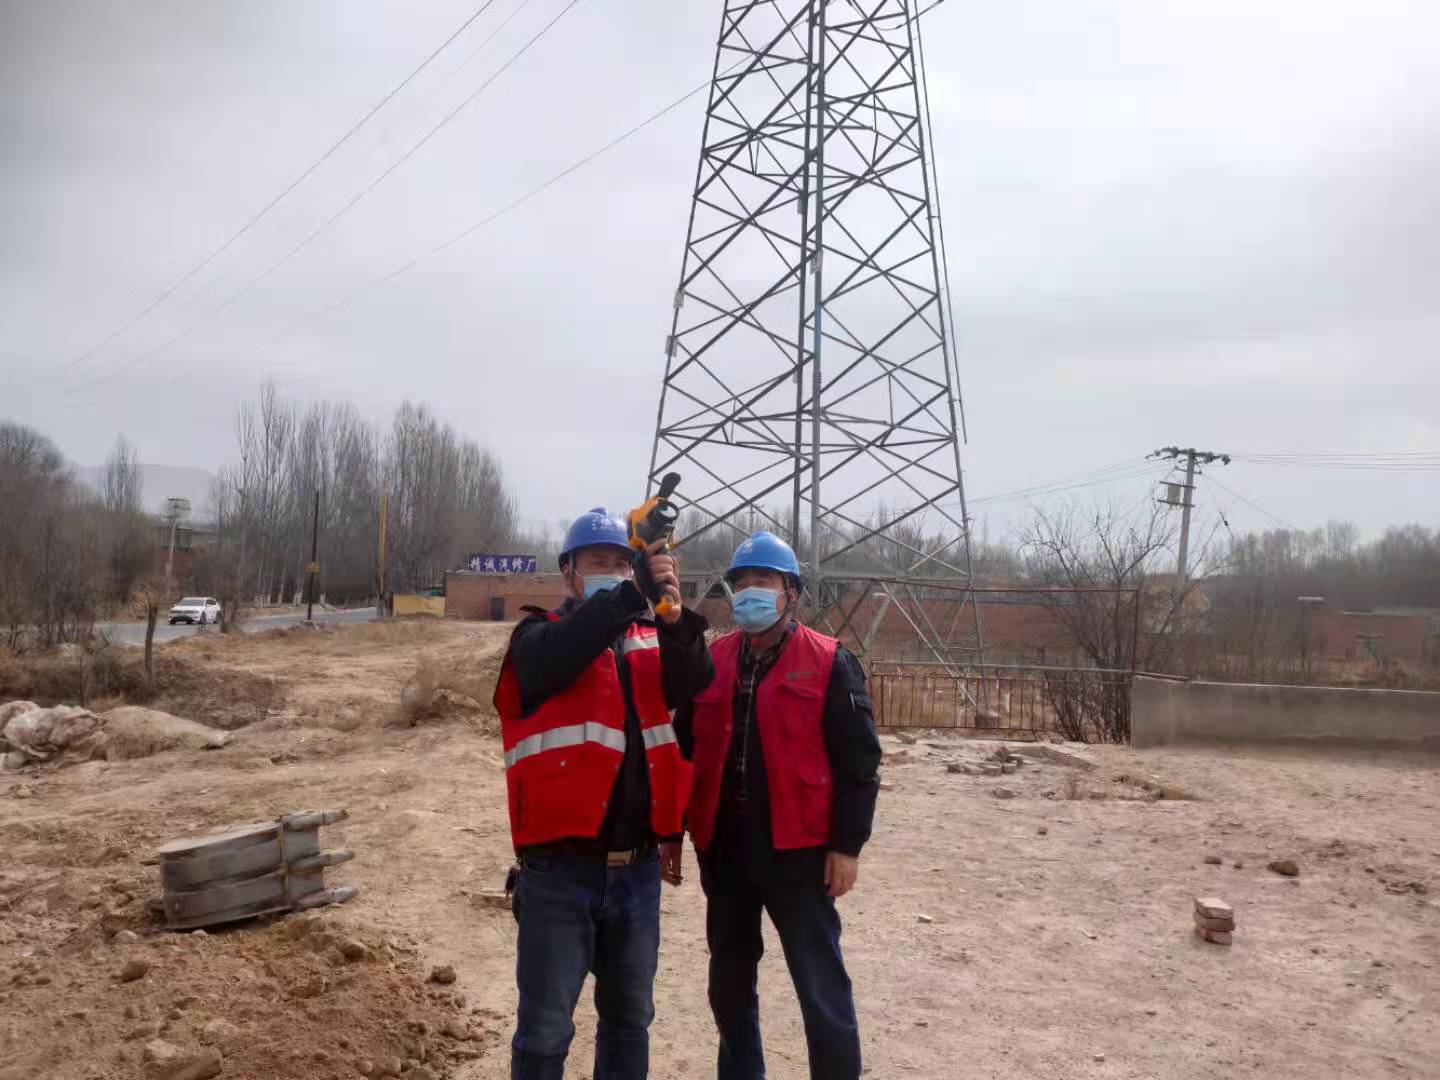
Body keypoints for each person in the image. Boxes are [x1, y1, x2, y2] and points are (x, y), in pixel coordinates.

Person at [492, 507, 714, 1080]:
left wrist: (672, 615)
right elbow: (563, 652)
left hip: (636, 871)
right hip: (558, 875)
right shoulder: (536, 637)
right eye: (599, 562)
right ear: (568, 572)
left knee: (629, 1021)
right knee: (545, 1033)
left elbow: (695, 680)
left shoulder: (647, 641)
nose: (612, 572)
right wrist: (630, 593)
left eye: (621, 562)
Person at [675, 531, 881, 1080]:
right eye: (741, 582)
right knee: (729, 983)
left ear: (791, 592)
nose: (750, 591)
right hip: (725, 848)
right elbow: (684, 749)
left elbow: (859, 763)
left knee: (820, 984)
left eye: (763, 580)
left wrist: (847, 847)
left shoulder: (830, 662)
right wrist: (674, 830)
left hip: (800, 853)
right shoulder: (711, 660)